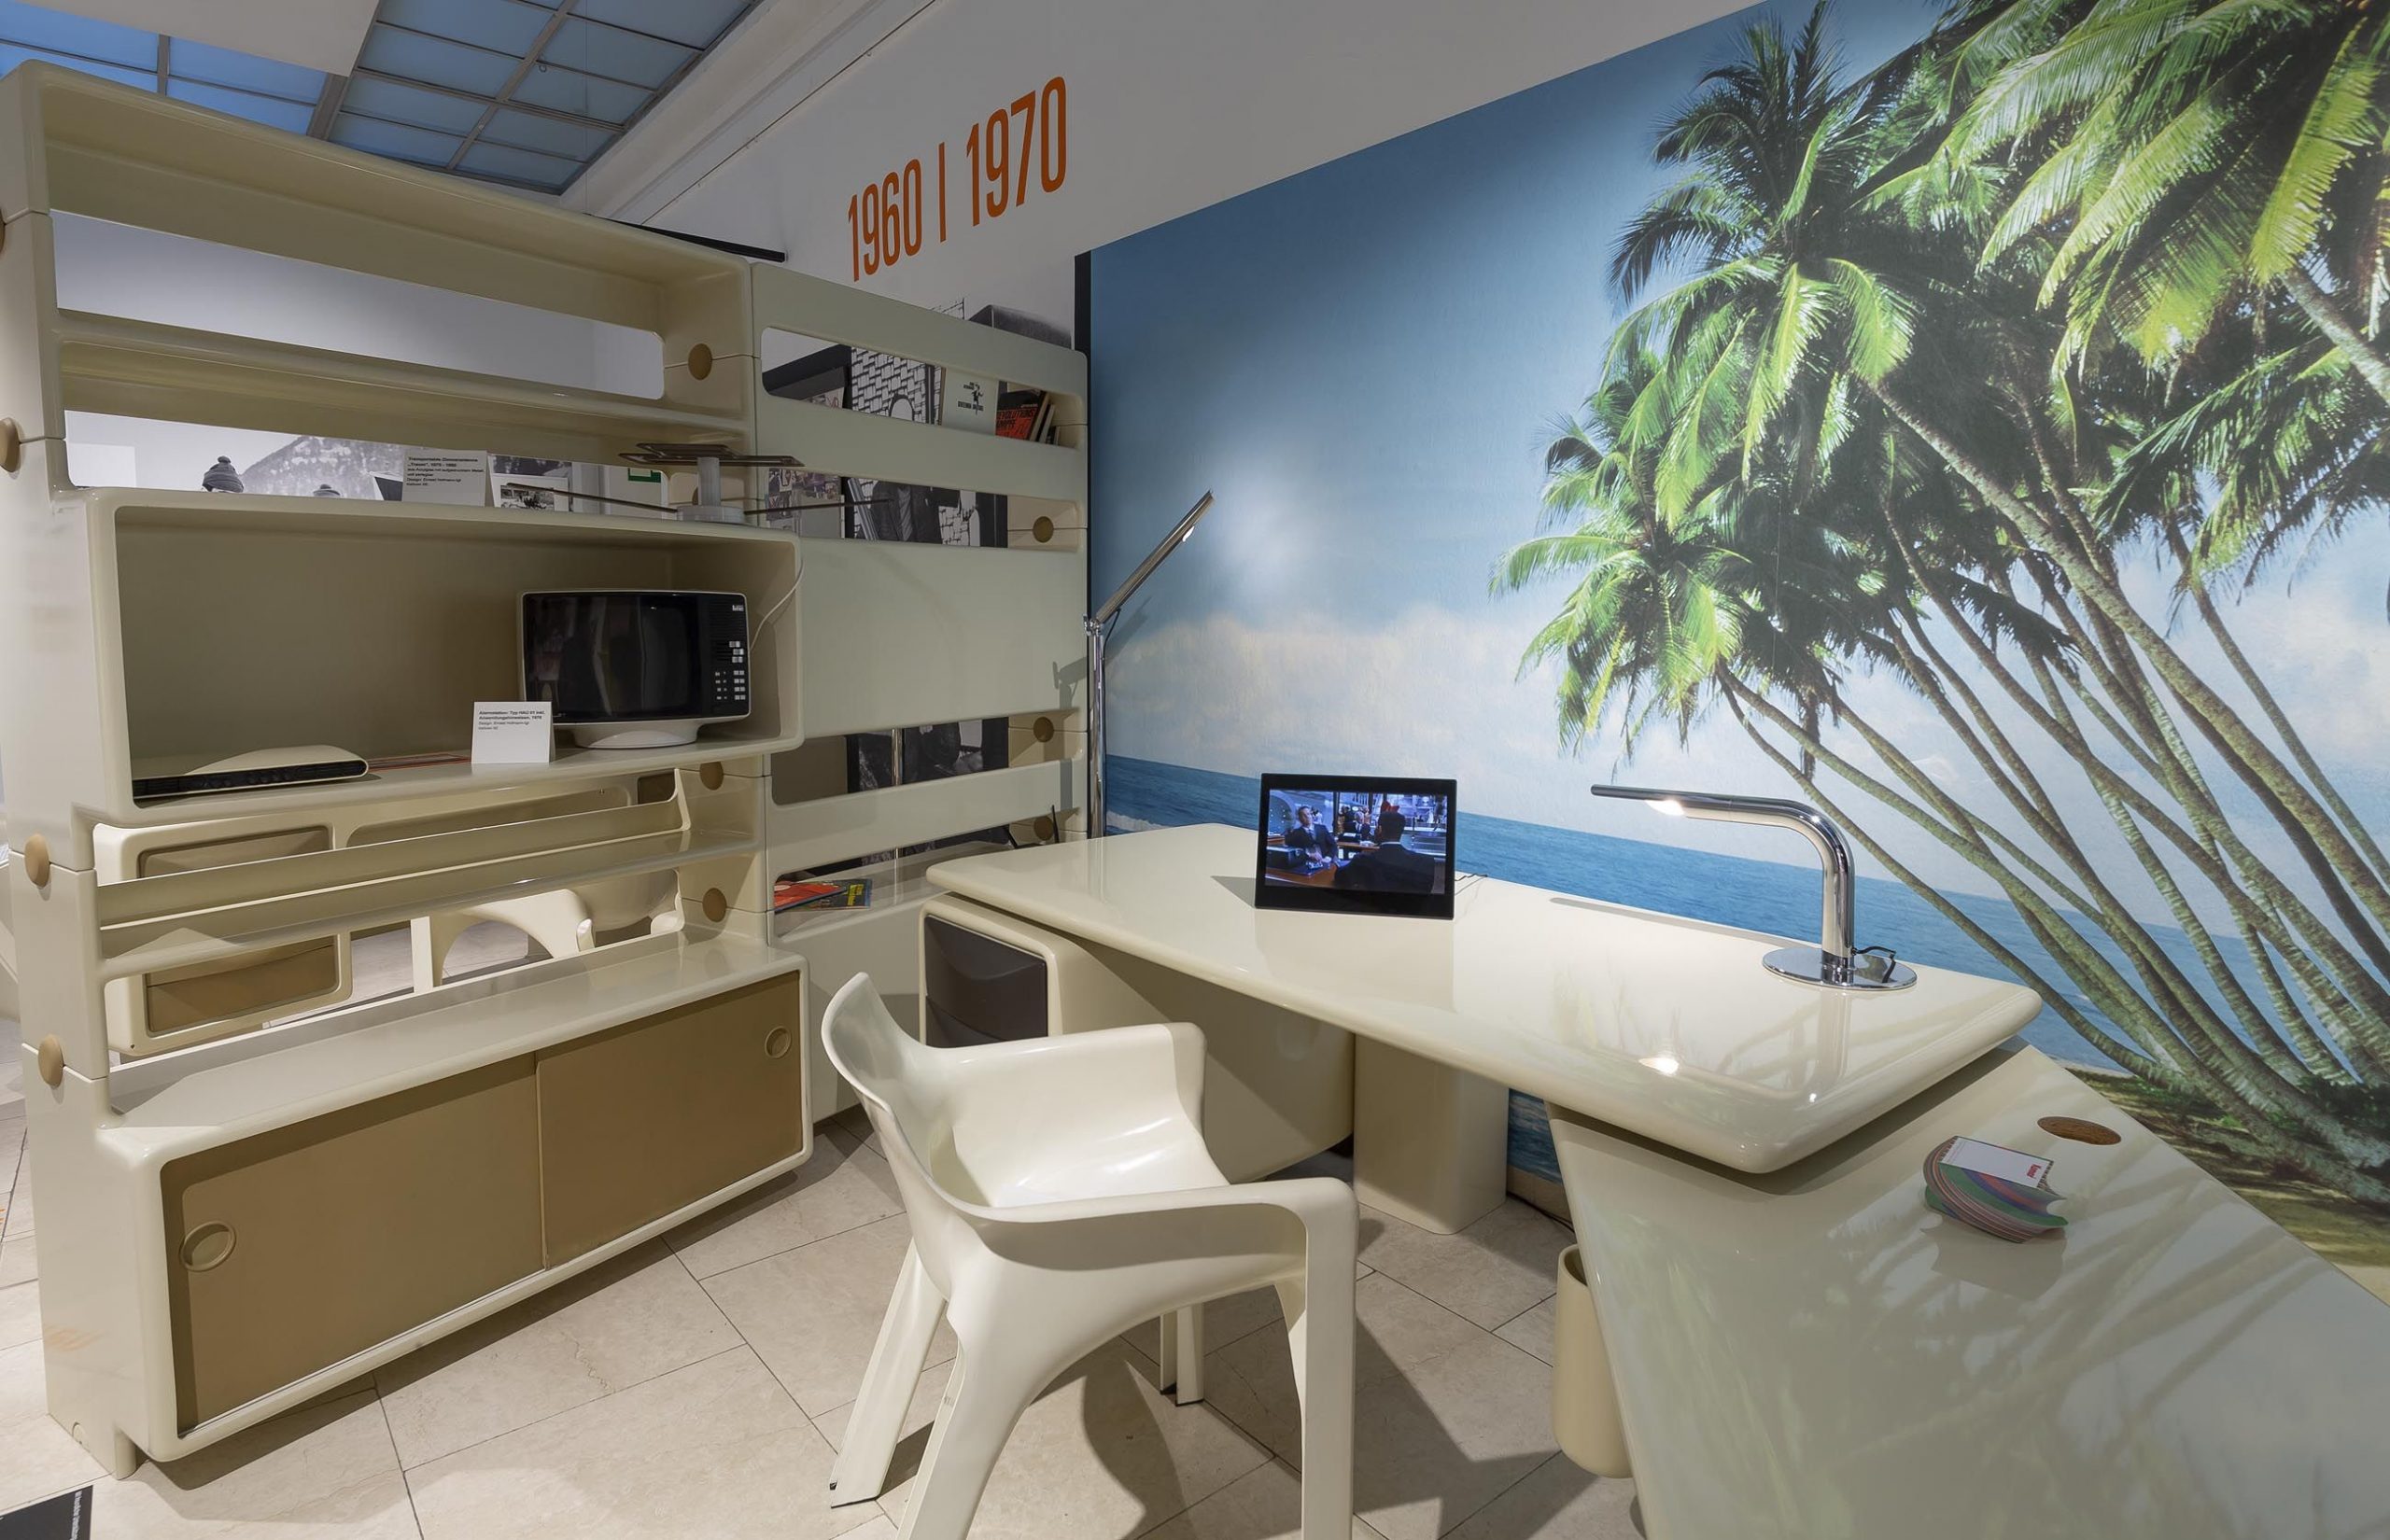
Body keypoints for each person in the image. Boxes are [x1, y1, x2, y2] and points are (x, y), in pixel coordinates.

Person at [1334, 806, 1441, 892]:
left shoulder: (1362, 860)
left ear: (1379, 829)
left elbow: (1340, 878)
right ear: (1401, 831)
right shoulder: (1425, 862)